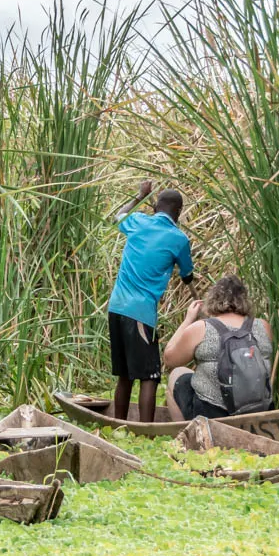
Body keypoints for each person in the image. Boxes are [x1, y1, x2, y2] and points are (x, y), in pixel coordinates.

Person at [106, 180, 195, 422]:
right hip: (141, 313)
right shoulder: (178, 239)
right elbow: (187, 275)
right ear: (177, 212)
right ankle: (145, 431)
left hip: (115, 307)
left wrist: (139, 195)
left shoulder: (138, 221)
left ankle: (117, 424)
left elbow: (119, 215)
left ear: (155, 206)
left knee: (125, 375)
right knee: (150, 376)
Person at [162, 275, 274, 420]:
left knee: (177, 373)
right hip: (259, 409)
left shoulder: (201, 328)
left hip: (213, 413)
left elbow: (169, 359)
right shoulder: (263, 326)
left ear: (213, 299)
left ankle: (185, 435)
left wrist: (188, 320)